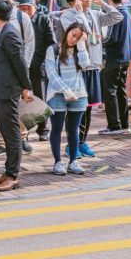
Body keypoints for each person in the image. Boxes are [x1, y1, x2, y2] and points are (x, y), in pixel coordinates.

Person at [60, 0, 124, 158]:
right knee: (75, 108)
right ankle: (71, 144)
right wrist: (80, 12)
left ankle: (82, 142)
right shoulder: (67, 16)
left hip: (94, 66)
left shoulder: (95, 14)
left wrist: (103, 3)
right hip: (77, 68)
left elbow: (118, 17)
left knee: (87, 108)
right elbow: (83, 32)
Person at [0, 0, 34, 191]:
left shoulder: (10, 33)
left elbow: (20, 62)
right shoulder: (4, 32)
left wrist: (25, 86)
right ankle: (7, 171)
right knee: (7, 133)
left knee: (12, 134)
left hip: (8, 91)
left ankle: (13, 175)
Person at [44, 22, 91, 175]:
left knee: (74, 129)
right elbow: (51, 73)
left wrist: (82, 44)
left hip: (78, 94)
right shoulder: (54, 49)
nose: (74, 39)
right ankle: (58, 162)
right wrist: (65, 91)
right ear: (68, 31)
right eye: (73, 34)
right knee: (57, 128)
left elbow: (85, 65)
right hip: (57, 94)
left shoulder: (80, 49)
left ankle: (73, 161)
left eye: (78, 38)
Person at [22, 0, 56, 143]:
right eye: (22, 8)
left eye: (28, 8)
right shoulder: (18, 21)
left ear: (34, 7)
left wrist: (44, 61)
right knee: (24, 98)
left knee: (40, 97)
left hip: (38, 64)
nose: (25, 11)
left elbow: (52, 43)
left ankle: (43, 129)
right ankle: (25, 131)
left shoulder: (43, 19)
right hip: (22, 66)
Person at [100, 0, 131, 135]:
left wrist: (100, 42)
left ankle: (114, 125)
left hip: (115, 57)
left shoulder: (117, 15)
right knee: (120, 90)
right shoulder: (128, 13)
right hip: (125, 57)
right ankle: (123, 123)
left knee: (110, 91)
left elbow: (112, 38)